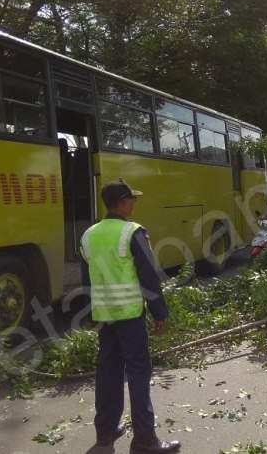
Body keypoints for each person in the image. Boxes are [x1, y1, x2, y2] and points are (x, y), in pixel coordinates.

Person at [80, 180, 180, 453]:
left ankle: (106, 431)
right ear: (122, 202)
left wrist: (89, 313)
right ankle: (145, 440)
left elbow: (85, 280)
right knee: (137, 373)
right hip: (130, 315)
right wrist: (159, 311)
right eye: (132, 199)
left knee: (108, 371)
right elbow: (148, 275)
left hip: (104, 316)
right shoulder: (133, 232)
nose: (134, 203)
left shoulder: (89, 235)